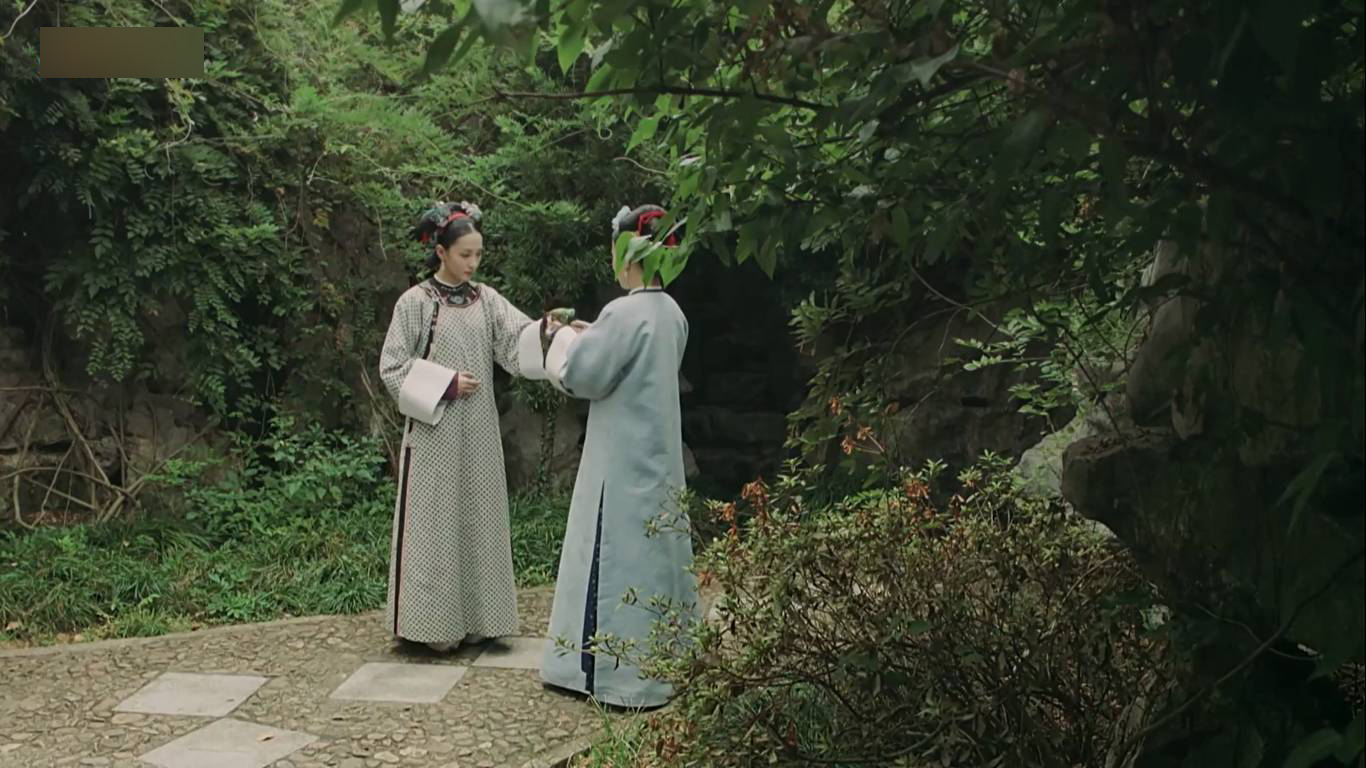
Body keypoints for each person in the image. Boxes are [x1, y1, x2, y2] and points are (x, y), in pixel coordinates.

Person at [526, 204, 698, 709]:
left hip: (619, 460)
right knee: (657, 555)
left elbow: (582, 376)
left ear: (628, 254)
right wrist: (592, 335)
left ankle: (610, 676)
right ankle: (664, 667)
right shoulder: (673, 313)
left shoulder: (623, 313)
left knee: (613, 554)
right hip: (657, 454)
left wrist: (560, 340)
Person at [378, 200, 535, 653]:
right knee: (434, 523)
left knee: (480, 518)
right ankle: (432, 627)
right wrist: (444, 383)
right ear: (440, 252)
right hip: (434, 434)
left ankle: (482, 619)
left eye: (478, 254)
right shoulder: (415, 303)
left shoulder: (487, 301)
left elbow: (520, 339)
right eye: (465, 254)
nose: (472, 263)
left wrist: (555, 333)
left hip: (480, 430)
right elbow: (392, 367)